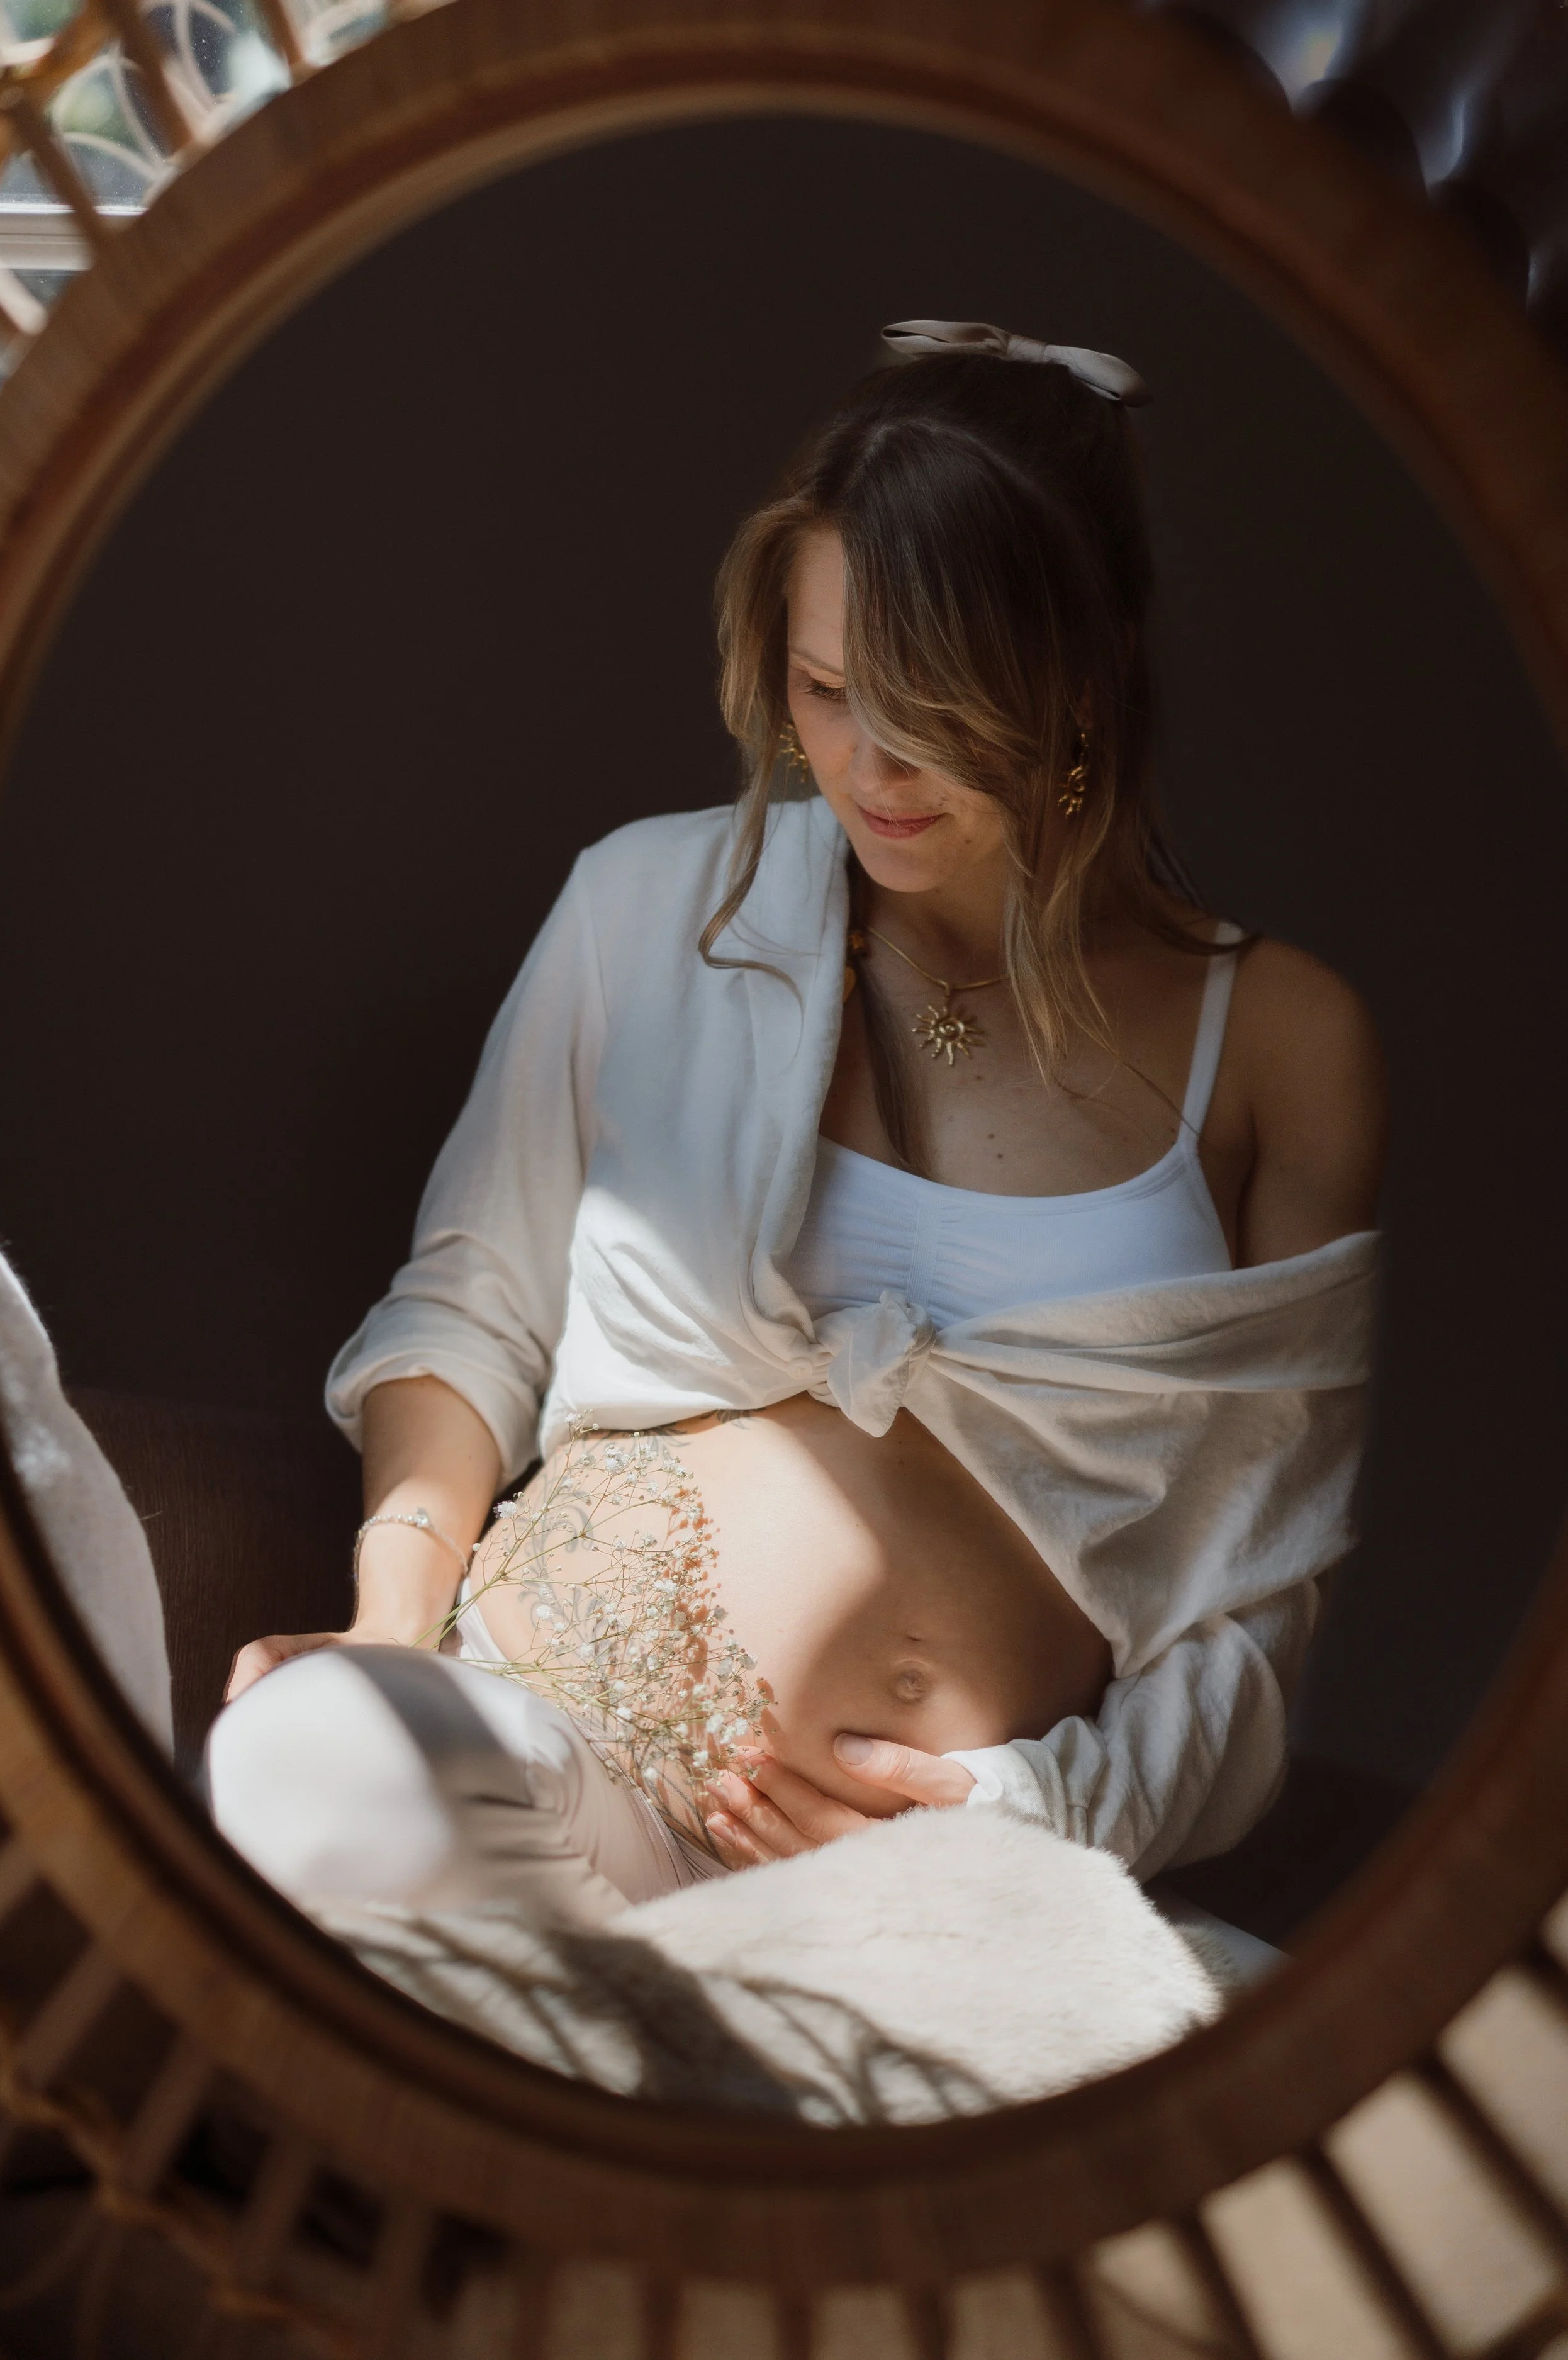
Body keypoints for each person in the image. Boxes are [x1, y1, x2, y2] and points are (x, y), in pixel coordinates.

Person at [207, 320, 1384, 1933]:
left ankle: (659, 2034)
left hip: (919, 1881)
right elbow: (468, 1306)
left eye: (937, 708)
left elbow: (1250, 1620)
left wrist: (1007, 1821)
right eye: (826, 691)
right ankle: (648, 2026)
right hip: (548, 1755)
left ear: (1084, 676)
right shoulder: (641, 905)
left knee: (1243, 2039)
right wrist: (389, 1617)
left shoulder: (1283, 1047)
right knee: (304, 1757)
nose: (868, 765)